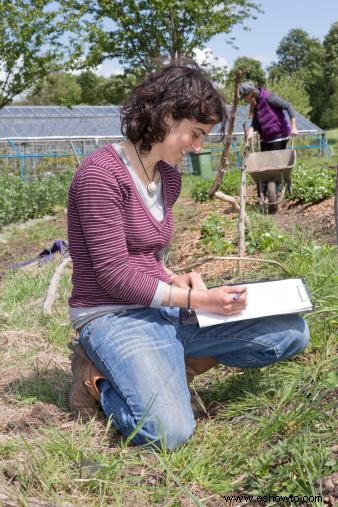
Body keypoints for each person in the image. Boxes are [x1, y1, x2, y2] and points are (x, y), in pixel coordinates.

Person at [67, 63, 309, 450]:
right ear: (166, 116)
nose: (198, 147)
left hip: (161, 306)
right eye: (195, 134)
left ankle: (168, 363)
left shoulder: (168, 177)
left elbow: (146, 256)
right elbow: (114, 274)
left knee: (290, 333)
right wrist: (196, 299)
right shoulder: (101, 175)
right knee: (169, 433)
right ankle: (98, 380)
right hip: (113, 313)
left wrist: (174, 277)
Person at [239, 82, 298, 207]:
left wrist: (293, 126)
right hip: (265, 138)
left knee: (275, 167)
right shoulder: (256, 103)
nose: (244, 100)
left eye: (244, 97)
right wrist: (250, 131)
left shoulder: (269, 98)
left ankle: (276, 192)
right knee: (264, 167)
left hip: (279, 136)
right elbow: (256, 121)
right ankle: (264, 195)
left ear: (251, 94)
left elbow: (288, 106)